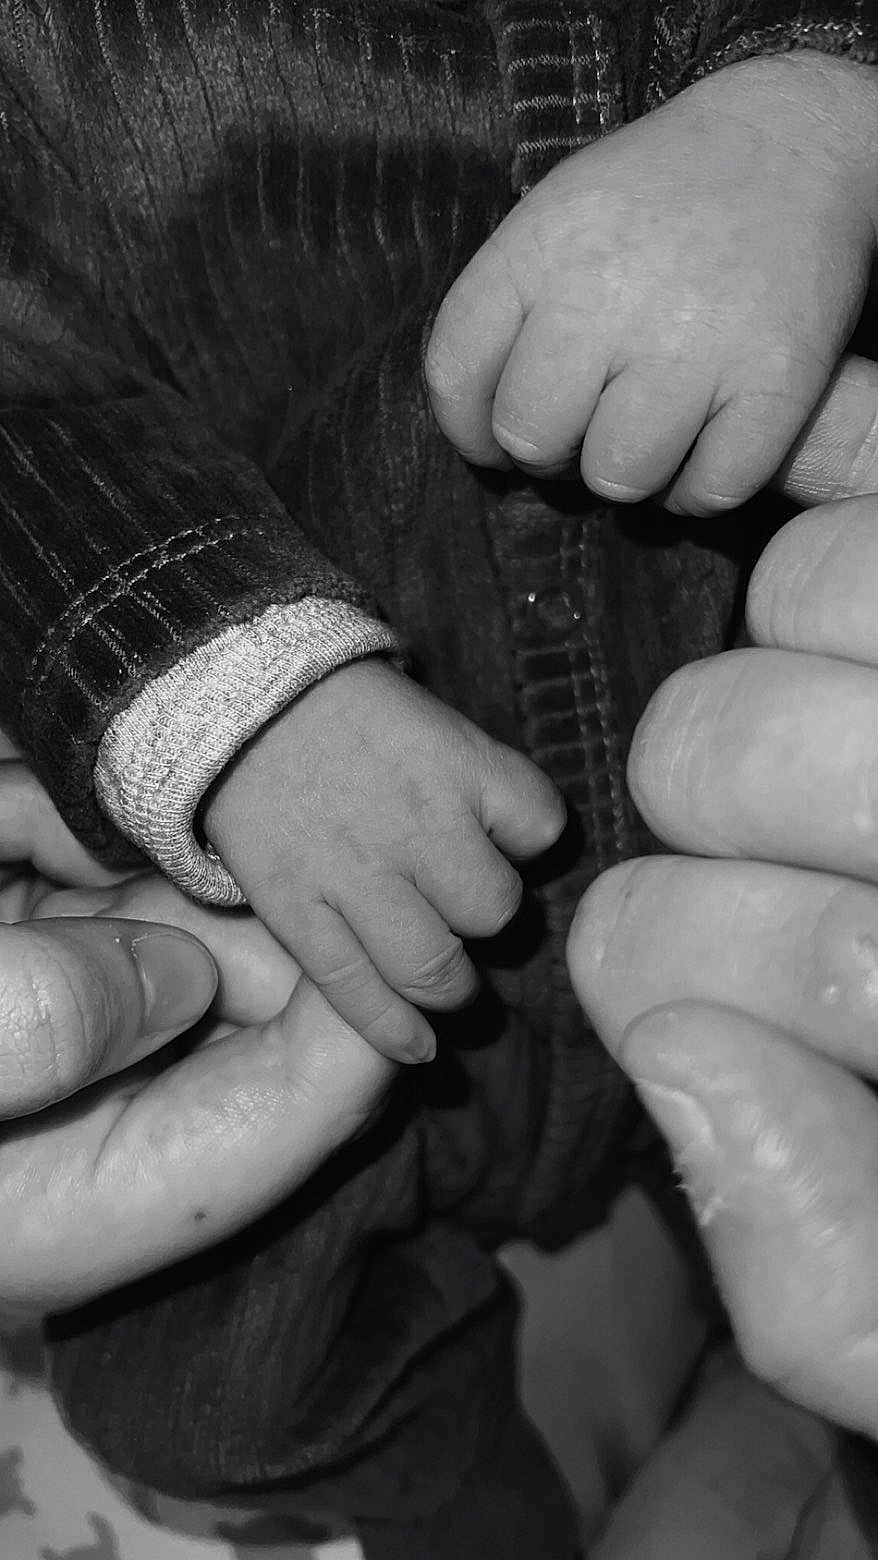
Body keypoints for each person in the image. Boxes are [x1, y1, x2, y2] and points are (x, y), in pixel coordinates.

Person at [0, 2, 875, 1554]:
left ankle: (773, 1406)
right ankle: (491, 1516)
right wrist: (242, 694)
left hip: (787, 805)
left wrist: (805, 105)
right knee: (189, 1403)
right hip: (325, 968)